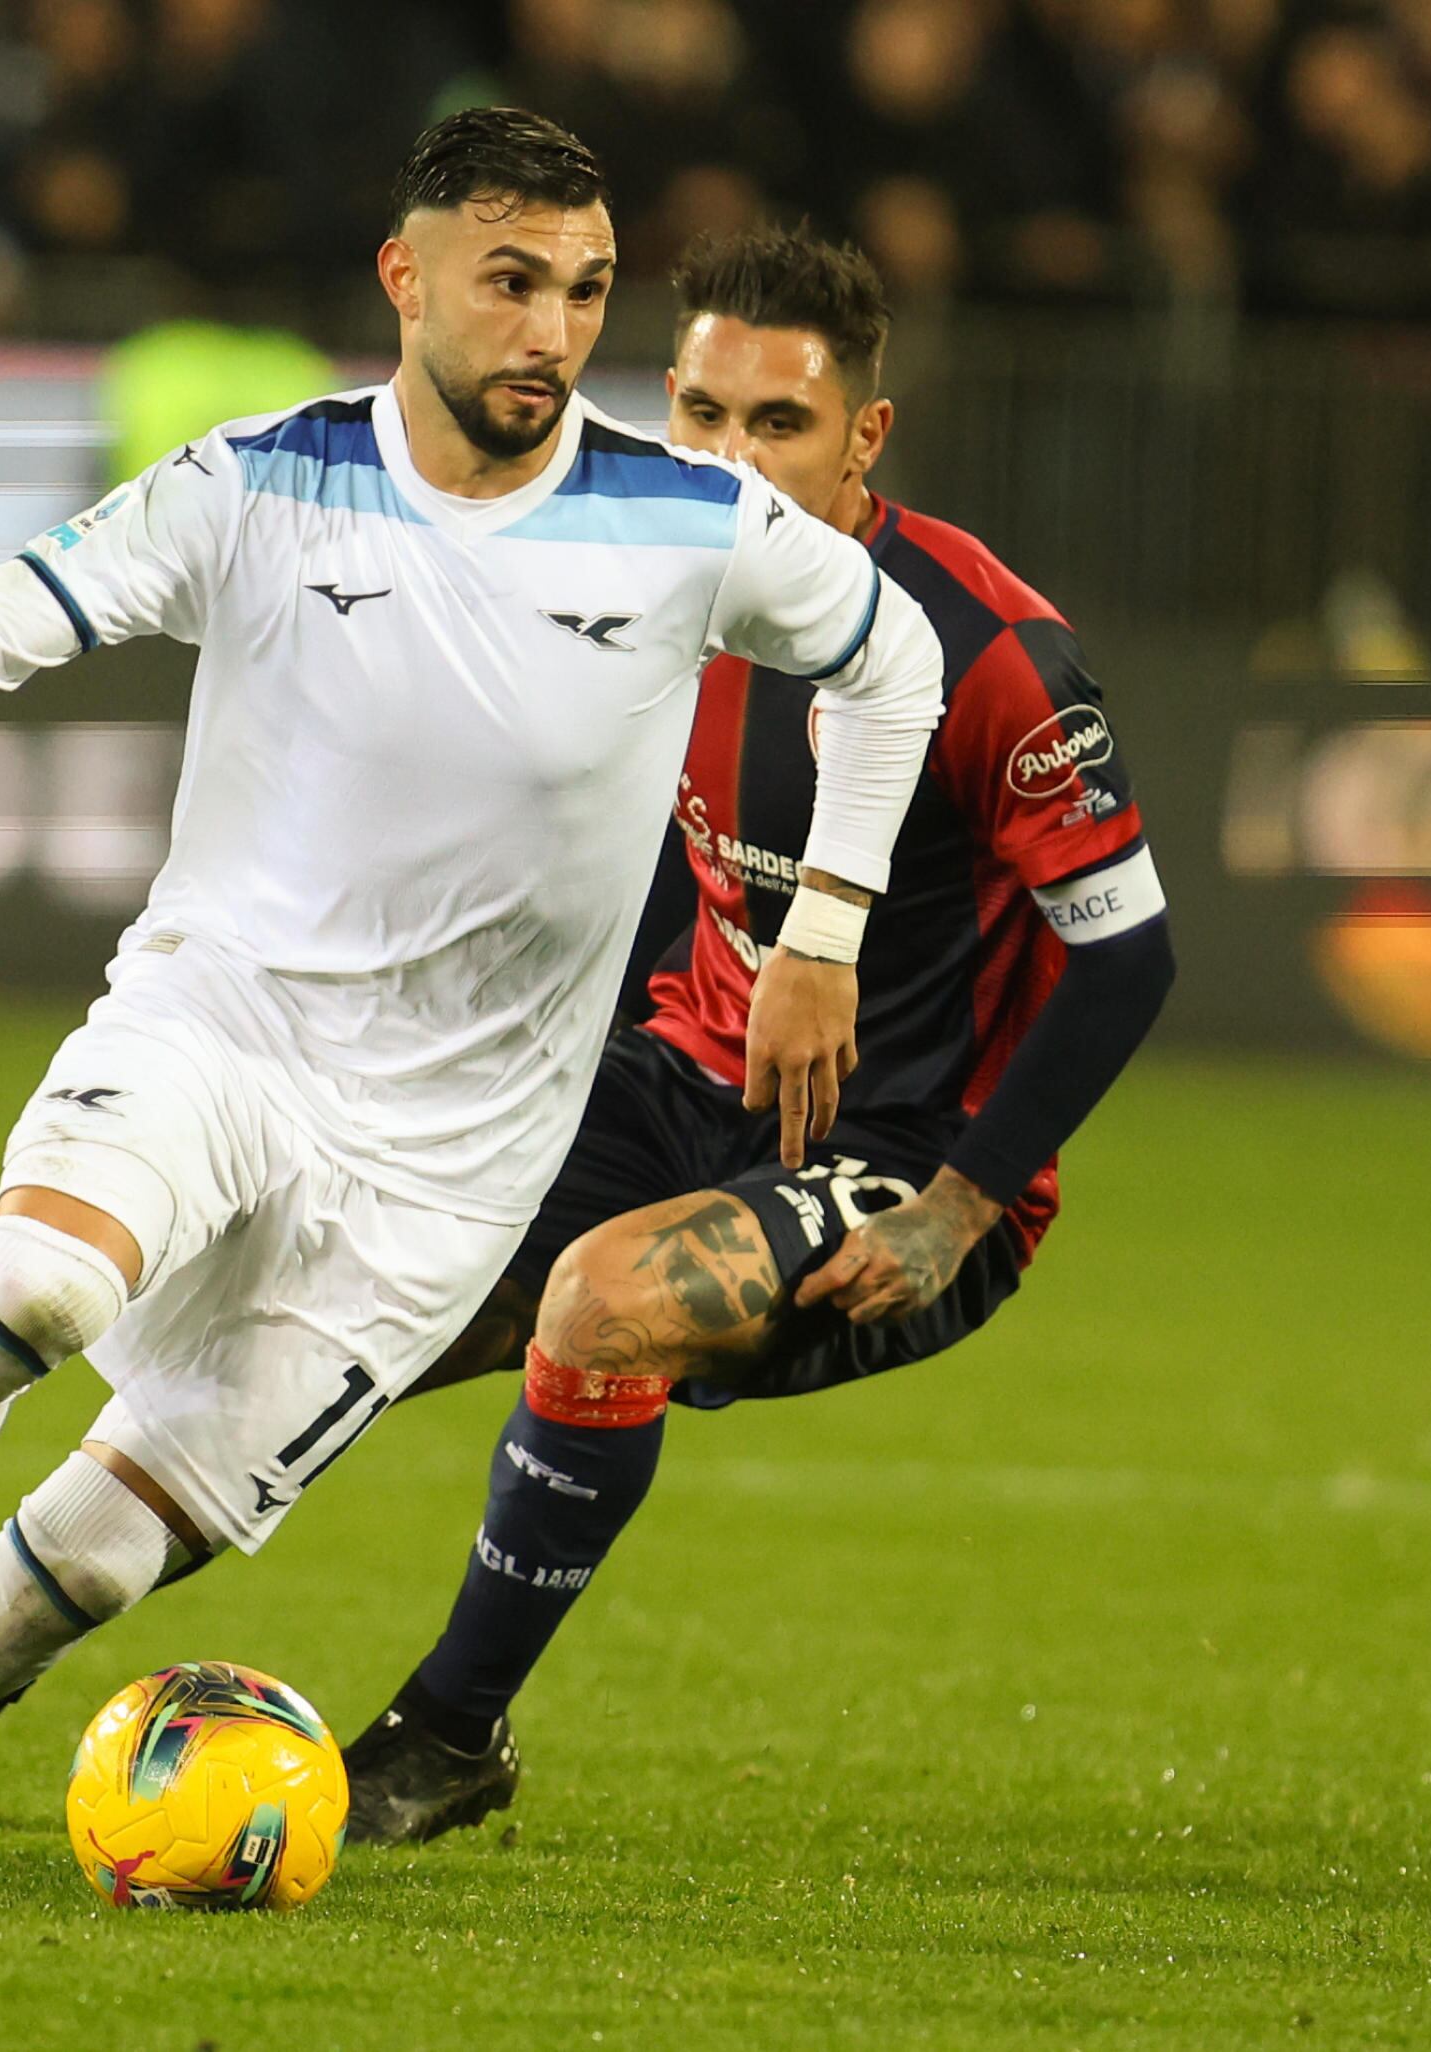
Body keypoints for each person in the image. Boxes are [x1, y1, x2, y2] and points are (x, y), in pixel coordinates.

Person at [0, 109, 953, 1863]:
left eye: (583, 291)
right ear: (404, 278)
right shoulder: (260, 482)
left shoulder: (687, 520)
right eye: (511, 283)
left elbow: (898, 659)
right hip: (227, 1024)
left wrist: (825, 931)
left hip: (446, 1171)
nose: (554, 333)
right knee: (40, 1284)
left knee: (82, 1566)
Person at [334, 222, 1178, 1842]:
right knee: (332, 1303)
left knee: (600, 1307)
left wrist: (966, 1201)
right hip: (677, 1080)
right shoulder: (649, 586)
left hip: (900, 1165)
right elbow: (662, 851)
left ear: (866, 438)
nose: (730, 460)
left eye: (777, 425)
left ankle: (449, 1733)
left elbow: (1126, 956)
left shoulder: (996, 658)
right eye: (704, 416)